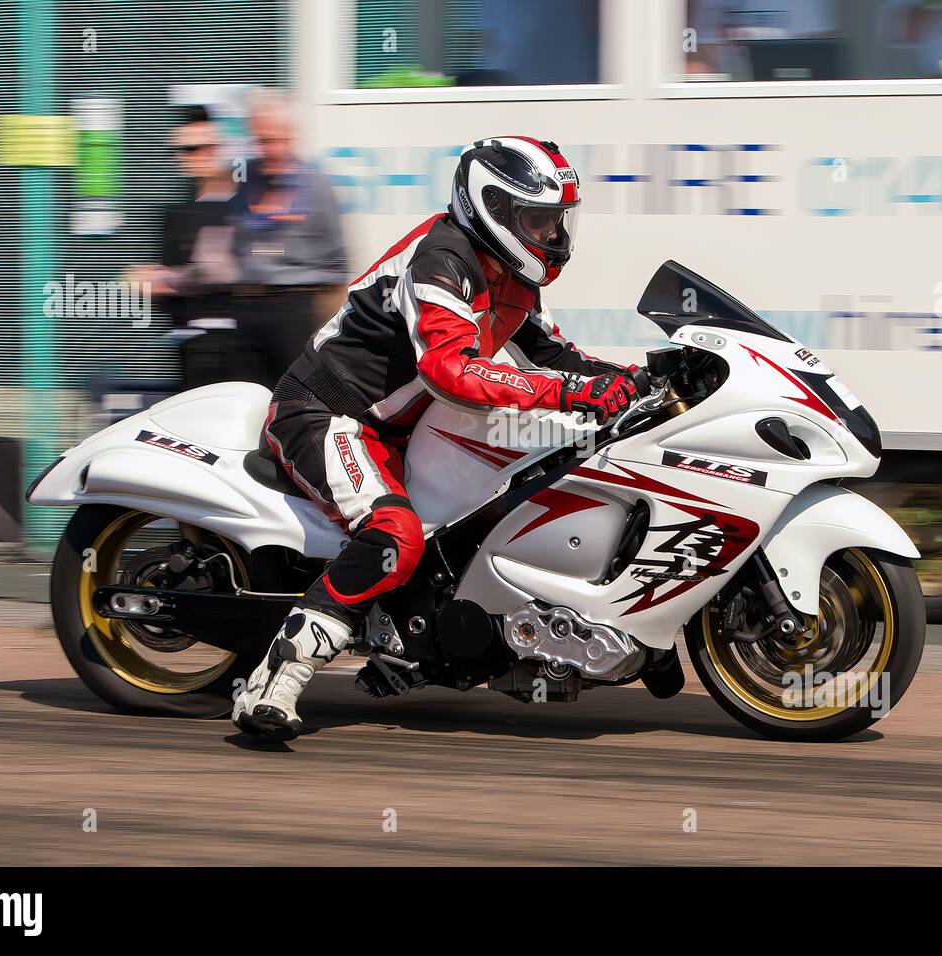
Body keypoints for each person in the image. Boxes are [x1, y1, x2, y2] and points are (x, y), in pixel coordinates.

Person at [233, 136, 639, 740]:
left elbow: (559, 356)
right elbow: (448, 369)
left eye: (557, 221)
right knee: (393, 531)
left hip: (398, 428)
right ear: (492, 210)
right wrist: (563, 394)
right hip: (326, 415)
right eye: (537, 220)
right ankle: (275, 680)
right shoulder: (442, 261)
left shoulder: (510, 277)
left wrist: (642, 379)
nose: (552, 236)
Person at [231, 88, 349, 389]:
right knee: (247, 398)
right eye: (259, 140)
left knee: (296, 400)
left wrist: (325, 329)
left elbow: (337, 266)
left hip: (294, 312)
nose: (265, 149)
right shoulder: (245, 185)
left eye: (272, 140)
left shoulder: (316, 188)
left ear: (289, 137)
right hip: (249, 311)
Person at [125, 106, 242, 388]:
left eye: (193, 148)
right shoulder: (176, 214)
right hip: (191, 343)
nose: (184, 157)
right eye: (179, 149)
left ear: (215, 149)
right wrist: (152, 283)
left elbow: (253, 264)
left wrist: (173, 279)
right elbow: (165, 280)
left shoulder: (241, 210)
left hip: (235, 342)